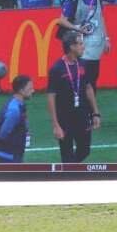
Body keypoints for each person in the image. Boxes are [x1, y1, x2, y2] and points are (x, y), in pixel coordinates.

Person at [47, 31, 101, 164]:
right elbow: (51, 96)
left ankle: (71, 169)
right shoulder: (57, 68)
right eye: (80, 44)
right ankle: (70, 172)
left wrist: (96, 113)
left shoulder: (83, 64)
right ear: (72, 47)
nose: (83, 46)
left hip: (83, 115)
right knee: (67, 154)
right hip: (64, 118)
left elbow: (88, 88)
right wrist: (55, 125)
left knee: (85, 150)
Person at [56, 0, 110, 88]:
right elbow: (61, 21)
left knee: (93, 79)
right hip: (79, 45)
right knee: (82, 80)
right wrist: (77, 28)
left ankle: (90, 103)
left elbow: (101, 17)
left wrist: (106, 39)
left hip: (94, 48)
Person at [0, 75, 34, 164]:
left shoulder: (18, 104)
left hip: (11, 155)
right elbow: (3, 133)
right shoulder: (14, 110)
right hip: (7, 157)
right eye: (30, 88)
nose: (33, 90)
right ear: (21, 90)